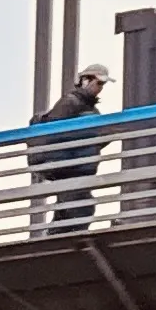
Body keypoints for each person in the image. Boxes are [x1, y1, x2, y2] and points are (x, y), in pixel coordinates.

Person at [30, 61, 111, 235]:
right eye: (99, 83)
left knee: (73, 207)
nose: (100, 88)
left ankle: (54, 241)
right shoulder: (70, 102)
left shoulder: (88, 109)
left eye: (102, 85)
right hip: (69, 167)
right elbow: (53, 132)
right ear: (85, 80)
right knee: (79, 207)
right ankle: (59, 242)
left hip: (76, 168)